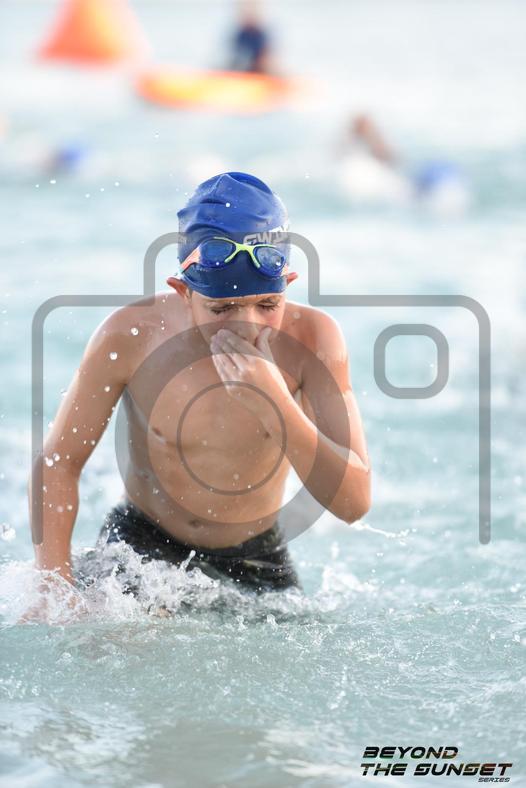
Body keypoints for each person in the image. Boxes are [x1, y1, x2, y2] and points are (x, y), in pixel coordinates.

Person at [25, 172, 371, 621]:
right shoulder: (131, 335)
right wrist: (52, 584)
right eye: (222, 308)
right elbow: (58, 462)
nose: (246, 325)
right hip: (142, 544)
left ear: (288, 282)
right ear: (184, 292)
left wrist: (276, 406)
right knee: (110, 644)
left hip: (255, 555)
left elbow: (353, 504)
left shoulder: (315, 341)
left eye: (267, 305)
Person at [229, 1, 272, 74]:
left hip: (258, 70)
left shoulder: (260, 35)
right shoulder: (240, 35)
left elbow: (265, 56)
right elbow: (236, 55)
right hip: (242, 69)